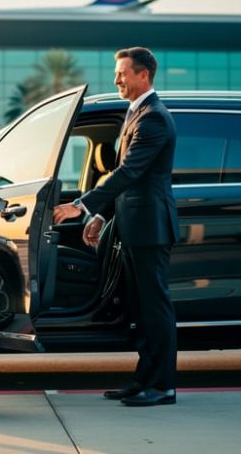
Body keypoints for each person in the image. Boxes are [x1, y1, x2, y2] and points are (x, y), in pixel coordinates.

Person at [53, 47, 179, 406]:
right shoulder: (136, 113)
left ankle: (163, 386)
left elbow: (128, 173)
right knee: (140, 309)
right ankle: (144, 380)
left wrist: (82, 205)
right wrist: (100, 216)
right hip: (133, 225)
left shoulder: (153, 117)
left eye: (122, 73)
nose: (116, 79)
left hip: (150, 228)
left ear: (143, 75)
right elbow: (125, 179)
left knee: (156, 309)